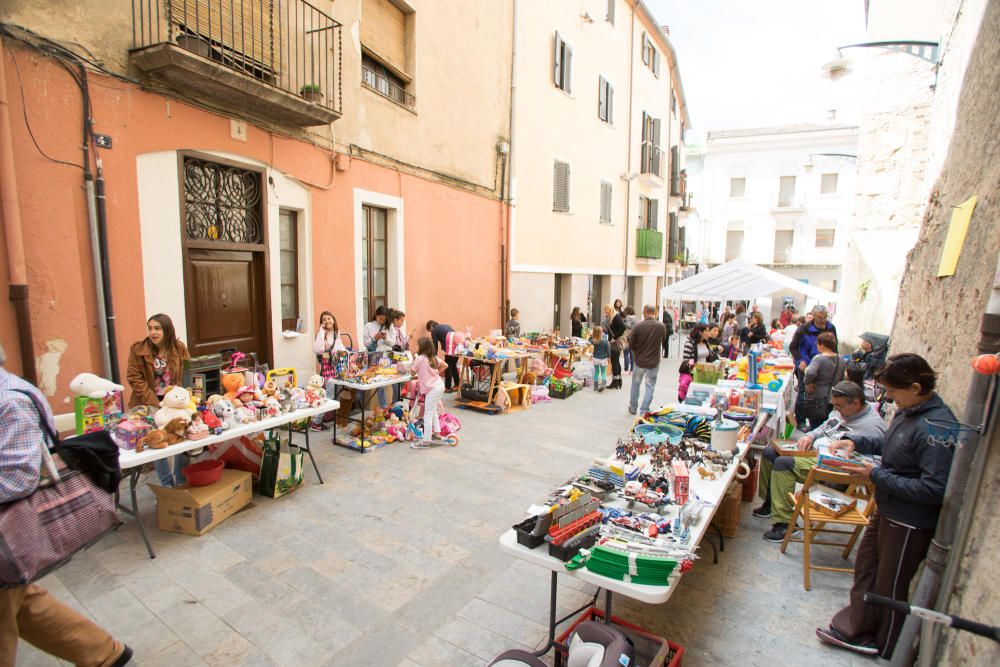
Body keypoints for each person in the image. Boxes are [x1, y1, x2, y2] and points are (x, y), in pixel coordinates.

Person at [0, 342, 134, 667]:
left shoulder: (9, 401)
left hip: (11, 527)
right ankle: (104, 652)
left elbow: (19, 477)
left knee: (11, 595)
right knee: (18, 598)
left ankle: (105, 652)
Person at [817, 355, 956, 659]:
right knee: (866, 568)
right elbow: (892, 445)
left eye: (892, 391)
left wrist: (876, 474)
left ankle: (888, 644)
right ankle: (859, 628)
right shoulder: (910, 413)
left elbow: (935, 489)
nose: (888, 397)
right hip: (888, 508)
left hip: (908, 521)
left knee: (890, 584)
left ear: (916, 387)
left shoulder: (937, 427)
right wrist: (858, 443)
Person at [754, 381, 886, 542]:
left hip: (832, 467)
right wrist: (810, 436)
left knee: (783, 463)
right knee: (769, 452)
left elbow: (873, 463)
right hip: (817, 453)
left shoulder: (873, 426)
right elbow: (824, 427)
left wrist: (838, 461)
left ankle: (785, 522)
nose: (836, 409)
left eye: (839, 406)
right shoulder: (843, 412)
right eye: (834, 405)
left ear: (856, 403)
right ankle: (770, 502)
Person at [126, 313, 191, 487]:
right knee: (158, 442)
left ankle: (181, 480)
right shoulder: (138, 349)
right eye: (150, 328)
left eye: (157, 328)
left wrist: (178, 398)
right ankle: (167, 485)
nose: (153, 332)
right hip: (148, 403)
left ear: (167, 330)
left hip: (174, 401)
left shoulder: (178, 348)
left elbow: (185, 374)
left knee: (181, 435)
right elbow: (134, 377)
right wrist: (154, 402)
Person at [790, 305, 837, 426]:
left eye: (825, 317)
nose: (823, 320)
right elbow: (793, 346)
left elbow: (834, 347)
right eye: (820, 317)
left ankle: (817, 421)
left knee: (821, 394)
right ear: (814, 316)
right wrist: (800, 360)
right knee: (803, 393)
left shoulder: (831, 328)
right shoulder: (803, 329)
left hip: (824, 365)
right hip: (807, 366)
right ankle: (800, 421)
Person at [801, 332, 846, 430]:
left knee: (815, 421)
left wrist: (808, 383)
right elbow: (843, 378)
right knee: (828, 422)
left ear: (821, 344)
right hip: (833, 395)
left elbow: (810, 373)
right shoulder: (840, 359)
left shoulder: (819, 358)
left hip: (817, 394)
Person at [311, 311, 348, 431]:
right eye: (324, 320)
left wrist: (349, 355)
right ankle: (316, 422)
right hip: (328, 369)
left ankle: (336, 418)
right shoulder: (322, 334)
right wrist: (321, 331)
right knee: (329, 396)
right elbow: (318, 349)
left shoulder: (336, 332)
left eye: (329, 318)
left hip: (337, 366)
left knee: (337, 393)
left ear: (333, 319)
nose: (327, 321)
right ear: (322, 323)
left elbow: (340, 347)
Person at [627, 305, 666, 415]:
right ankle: (644, 410)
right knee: (650, 386)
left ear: (645, 312)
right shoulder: (661, 326)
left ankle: (633, 407)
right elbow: (663, 343)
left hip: (639, 361)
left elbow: (631, 345)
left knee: (635, 385)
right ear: (654, 312)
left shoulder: (638, 326)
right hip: (653, 361)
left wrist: (636, 354)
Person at [409, 337, 447, 448]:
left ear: (422, 347)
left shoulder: (420, 358)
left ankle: (426, 441)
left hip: (433, 389)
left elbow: (412, 372)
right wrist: (435, 374)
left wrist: (413, 361)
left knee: (428, 414)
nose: (416, 346)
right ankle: (437, 434)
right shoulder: (433, 357)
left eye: (417, 345)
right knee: (433, 411)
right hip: (439, 385)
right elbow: (445, 365)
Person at [426, 320, 460, 393]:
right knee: (453, 366)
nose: (431, 332)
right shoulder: (446, 325)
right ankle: (457, 385)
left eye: (429, 330)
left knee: (448, 367)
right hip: (458, 347)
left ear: (431, 327)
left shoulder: (434, 330)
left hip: (450, 349)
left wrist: (433, 357)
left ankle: (447, 387)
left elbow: (435, 345)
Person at [604, 304, 627, 390]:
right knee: (616, 362)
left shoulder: (616, 317)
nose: (606, 313)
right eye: (605, 311)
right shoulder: (612, 317)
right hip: (614, 342)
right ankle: (618, 381)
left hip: (615, 343)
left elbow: (623, 327)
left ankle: (615, 382)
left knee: (614, 362)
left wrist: (614, 337)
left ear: (611, 310)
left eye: (607, 311)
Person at [590, 326, 609, 392]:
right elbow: (608, 350)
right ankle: (603, 384)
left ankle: (595, 387)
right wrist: (609, 357)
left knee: (596, 372)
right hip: (603, 359)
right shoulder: (605, 340)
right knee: (603, 372)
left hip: (595, 358)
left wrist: (592, 335)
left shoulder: (593, 340)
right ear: (601, 333)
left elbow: (589, 339)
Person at [622, 306, 637, 373]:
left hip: (628, 337)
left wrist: (623, 322)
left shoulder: (628, 317)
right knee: (632, 354)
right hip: (634, 337)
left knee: (625, 353)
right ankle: (632, 369)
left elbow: (628, 325)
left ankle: (626, 368)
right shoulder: (635, 318)